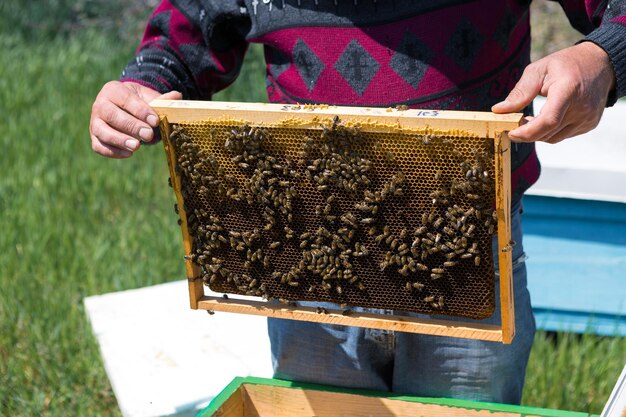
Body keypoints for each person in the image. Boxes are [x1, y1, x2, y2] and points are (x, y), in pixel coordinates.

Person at [89, 0, 624, 405]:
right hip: (305, 261)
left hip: (467, 258)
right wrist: (147, 82)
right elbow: (187, 29)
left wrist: (603, 55)